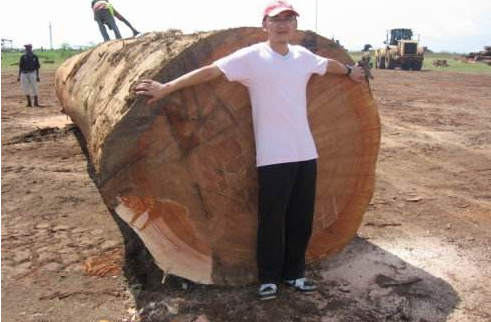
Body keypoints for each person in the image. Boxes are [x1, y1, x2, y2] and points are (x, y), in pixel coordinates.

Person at [135, 0, 365, 300]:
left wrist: (349, 70)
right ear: (265, 26)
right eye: (276, 19)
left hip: (306, 153)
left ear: (295, 25)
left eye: (289, 19)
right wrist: (166, 88)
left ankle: (295, 274)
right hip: (273, 155)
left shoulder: (303, 56)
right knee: (272, 219)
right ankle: (268, 278)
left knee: (300, 218)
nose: (283, 24)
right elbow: (209, 72)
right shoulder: (251, 57)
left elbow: (328, 66)